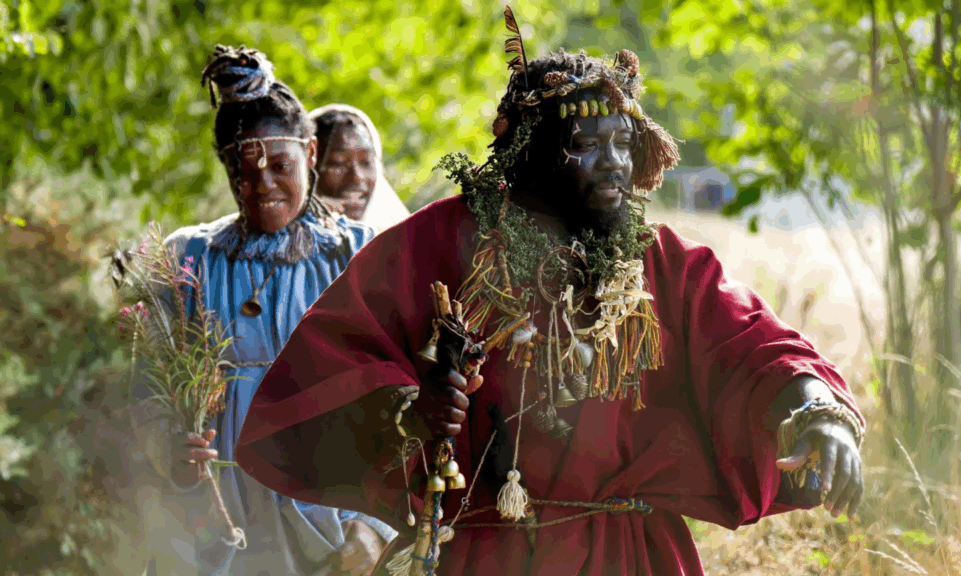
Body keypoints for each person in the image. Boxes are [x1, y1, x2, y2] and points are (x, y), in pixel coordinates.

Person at [233, 16, 865, 576]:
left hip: (630, 557)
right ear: (526, 154)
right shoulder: (438, 244)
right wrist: (414, 410)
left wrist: (816, 411)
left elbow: (754, 346)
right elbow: (332, 367)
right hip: (483, 554)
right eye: (586, 145)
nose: (615, 162)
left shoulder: (660, 260)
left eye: (623, 143)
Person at [124, 45, 395, 575]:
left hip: (329, 529)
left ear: (310, 154)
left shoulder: (361, 255)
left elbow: (406, 399)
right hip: (211, 525)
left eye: (280, 165)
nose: (263, 185)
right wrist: (170, 451)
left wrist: (376, 525)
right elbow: (146, 392)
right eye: (242, 170)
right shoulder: (187, 260)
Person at [309, 103, 410, 232]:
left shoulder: (400, 238)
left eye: (366, 162)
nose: (357, 177)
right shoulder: (289, 238)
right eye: (338, 163)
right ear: (307, 170)